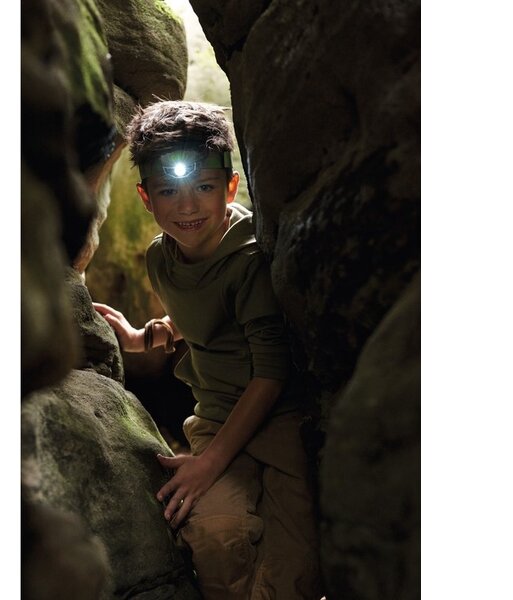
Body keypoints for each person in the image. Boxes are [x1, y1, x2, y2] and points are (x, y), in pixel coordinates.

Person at [93, 101, 322, 599]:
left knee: (292, 569)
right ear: (146, 198)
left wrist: (209, 464)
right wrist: (145, 337)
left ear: (231, 187)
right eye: (168, 191)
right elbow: (203, 316)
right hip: (217, 418)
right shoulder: (162, 257)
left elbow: (271, 372)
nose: (187, 206)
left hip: (281, 422)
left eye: (204, 187)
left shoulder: (251, 258)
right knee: (216, 539)